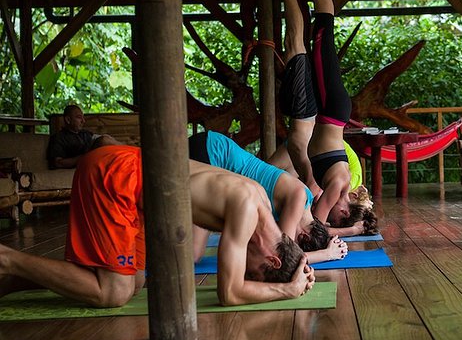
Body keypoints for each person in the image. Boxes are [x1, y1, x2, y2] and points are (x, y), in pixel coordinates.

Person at [0, 145, 314, 308]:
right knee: (114, 292)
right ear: (271, 259)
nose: (246, 272)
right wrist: (285, 289)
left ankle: (12, 281)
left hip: (132, 190)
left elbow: (285, 245)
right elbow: (229, 293)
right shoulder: (248, 208)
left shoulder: (260, 204)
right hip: (116, 176)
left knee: (134, 284)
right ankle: (7, 258)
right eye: (254, 272)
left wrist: (302, 264)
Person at [256, 0, 352, 231]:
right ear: (345, 211)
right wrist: (349, 231)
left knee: (304, 40)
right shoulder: (336, 187)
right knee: (323, 30)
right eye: (339, 215)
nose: (331, 211)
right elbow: (319, 224)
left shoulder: (334, 186)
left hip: (323, 111)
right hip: (332, 109)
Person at [188, 130, 347, 264]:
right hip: (212, 151)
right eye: (296, 242)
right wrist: (327, 255)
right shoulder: (299, 197)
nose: (289, 237)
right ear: (303, 235)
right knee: (193, 252)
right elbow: (285, 255)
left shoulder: (304, 203)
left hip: (212, 153)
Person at [46, 104, 118, 169]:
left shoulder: (85, 134)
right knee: (104, 140)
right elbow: (58, 163)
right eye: (79, 117)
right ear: (68, 120)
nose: (83, 121)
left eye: (83, 118)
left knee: (105, 139)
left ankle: (127, 151)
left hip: (94, 161)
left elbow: (102, 139)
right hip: (83, 163)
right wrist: (84, 157)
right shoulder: (59, 137)